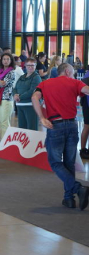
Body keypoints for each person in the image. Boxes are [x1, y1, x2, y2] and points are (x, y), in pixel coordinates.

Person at [32, 63, 89, 210]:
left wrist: (42, 118)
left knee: (55, 162)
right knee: (69, 163)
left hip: (55, 125)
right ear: (68, 71)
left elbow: (34, 97)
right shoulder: (75, 82)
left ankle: (77, 189)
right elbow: (87, 90)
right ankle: (68, 199)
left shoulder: (45, 84)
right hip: (72, 125)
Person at [13, 57, 41, 130]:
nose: (30, 67)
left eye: (32, 65)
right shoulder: (22, 76)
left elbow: (32, 91)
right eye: (28, 65)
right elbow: (15, 88)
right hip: (20, 105)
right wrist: (15, 94)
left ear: (35, 66)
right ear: (25, 66)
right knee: (22, 129)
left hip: (30, 105)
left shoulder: (36, 77)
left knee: (32, 128)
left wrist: (20, 97)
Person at [0, 53, 16, 139]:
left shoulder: (11, 71)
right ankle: (3, 141)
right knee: (0, 121)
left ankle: (5, 143)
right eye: (4, 59)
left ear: (11, 61)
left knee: (4, 122)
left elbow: (3, 84)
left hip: (7, 98)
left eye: (8, 59)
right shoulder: (1, 71)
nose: (6, 61)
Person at [80, 75, 89, 160]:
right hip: (87, 103)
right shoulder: (86, 77)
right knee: (87, 126)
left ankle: (83, 150)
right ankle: (83, 150)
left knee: (87, 126)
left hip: (86, 103)